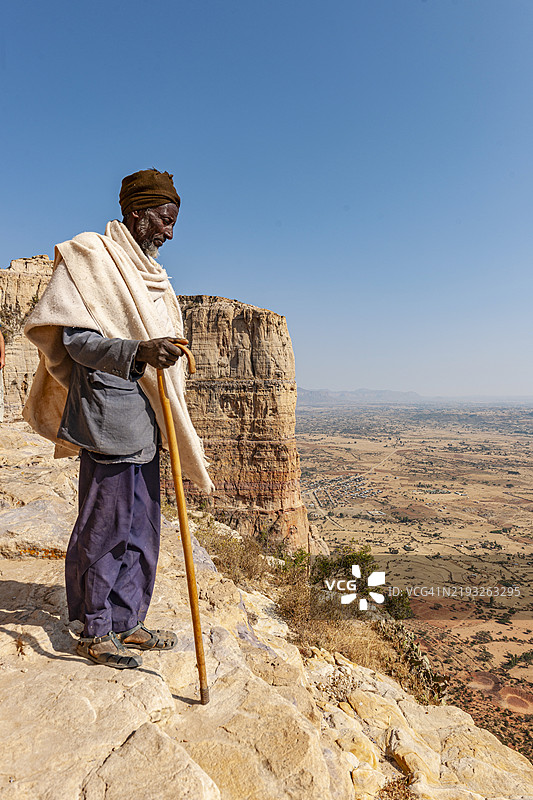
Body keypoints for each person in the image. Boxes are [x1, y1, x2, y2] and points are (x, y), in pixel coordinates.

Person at [23, 169, 213, 669]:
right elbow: (75, 342)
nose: (169, 232)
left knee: (143, 528)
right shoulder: (92, 259)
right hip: (108, 420)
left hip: (149, 421)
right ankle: (93, 629)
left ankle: (128, 620)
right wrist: (139, 352)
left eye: (173, 223)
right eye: (164, 220)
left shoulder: (152, 275)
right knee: (104, 528)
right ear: (137, 212)